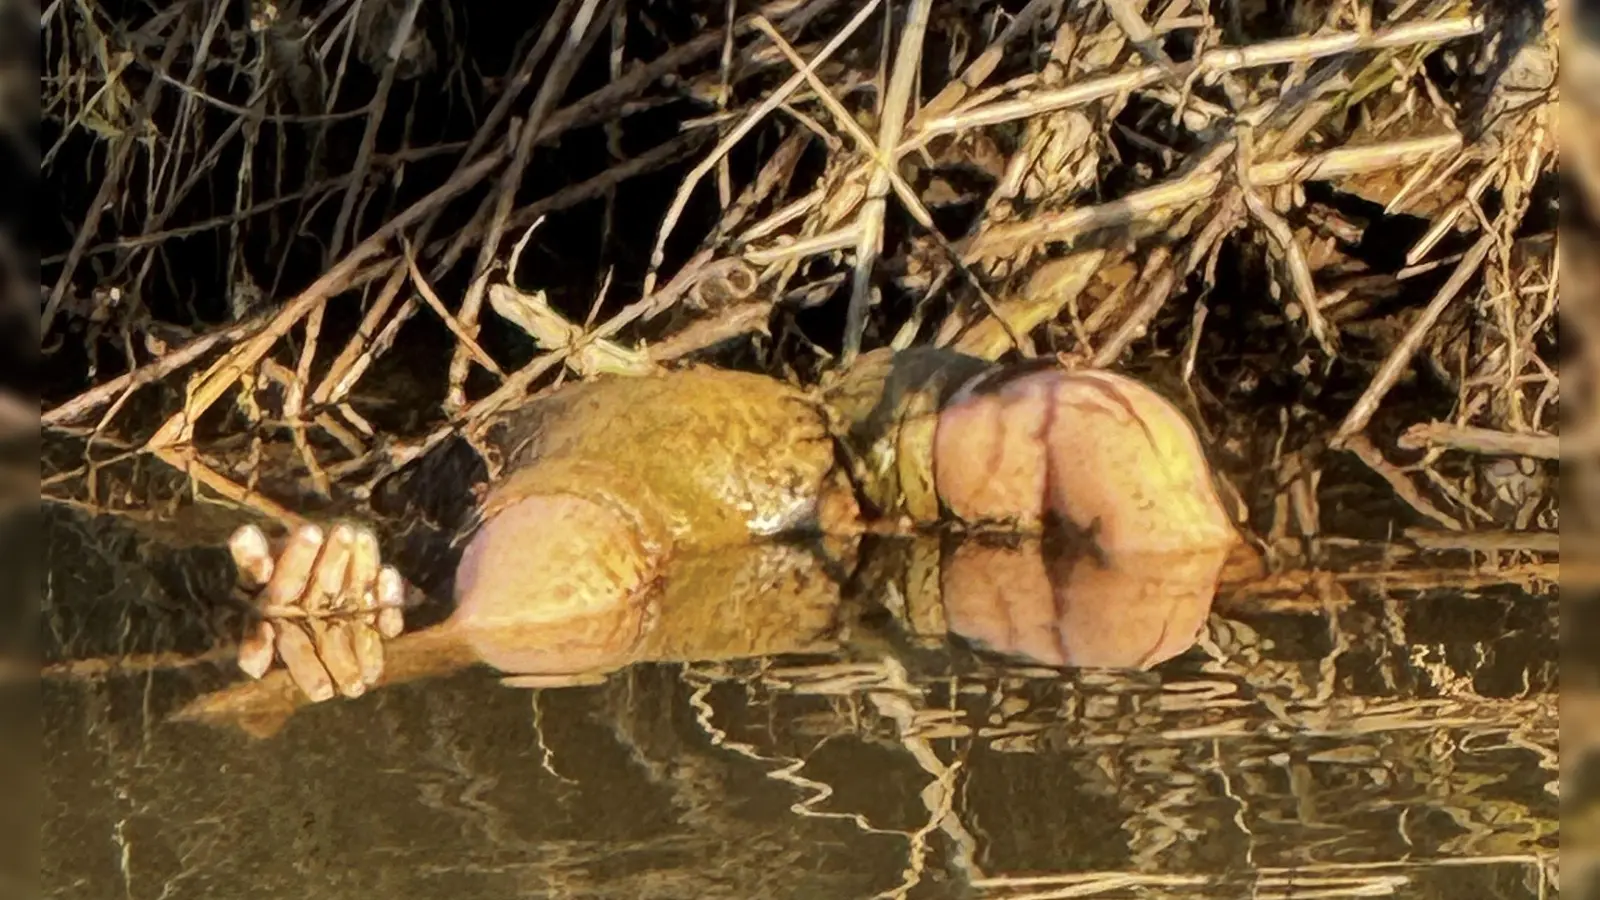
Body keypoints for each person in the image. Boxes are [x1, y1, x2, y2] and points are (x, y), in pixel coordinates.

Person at [192, 348, 1239, 725]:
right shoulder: (743, 439)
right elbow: (576, 534)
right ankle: (336, 634)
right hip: (511, 541)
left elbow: (1149, 504)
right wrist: (429, 651)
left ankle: (342, 634)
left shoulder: (844, 465)